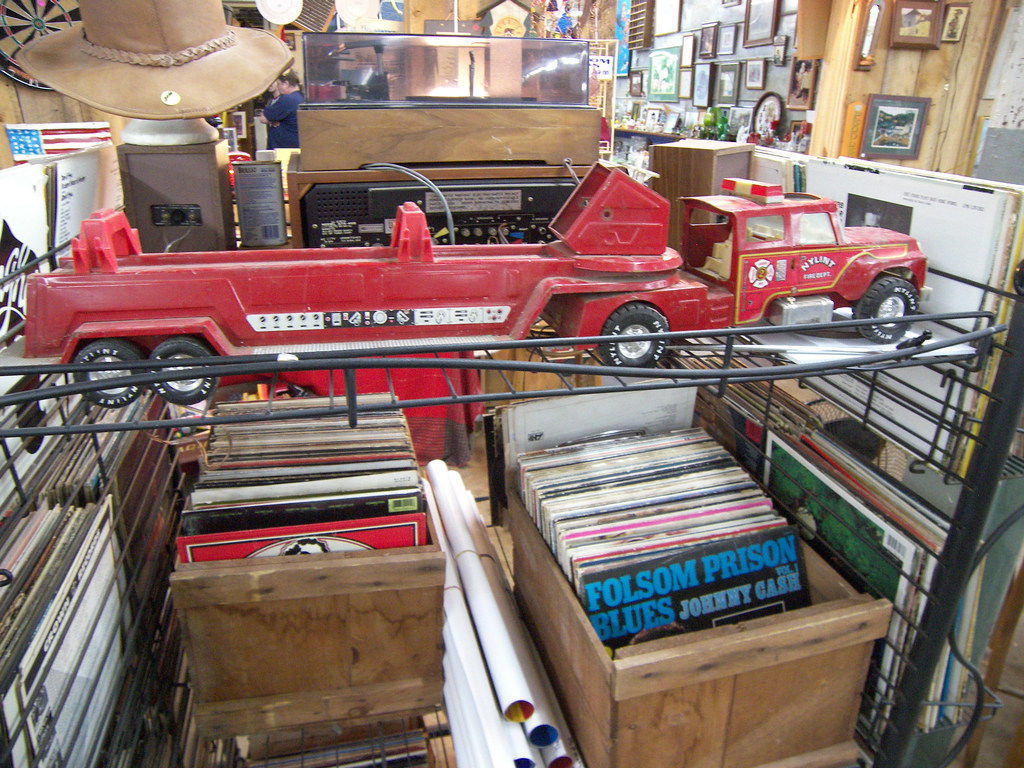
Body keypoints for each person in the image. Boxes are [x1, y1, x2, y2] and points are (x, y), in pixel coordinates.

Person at [260, 70, 305, 150]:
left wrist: (271, 120)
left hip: (284, 150)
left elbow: (263, 118)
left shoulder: (287, 99)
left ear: (285, 84)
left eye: (278, 84)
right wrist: (273, 121)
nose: (278, 87)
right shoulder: (302, 97)